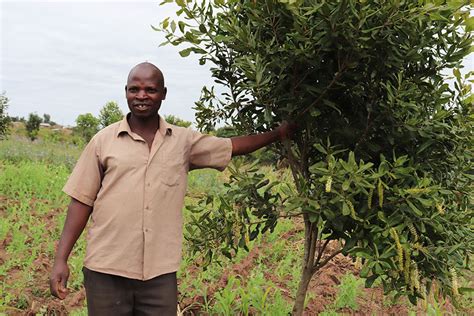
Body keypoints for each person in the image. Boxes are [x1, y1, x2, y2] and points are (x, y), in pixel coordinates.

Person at [49, 62, 294, 315]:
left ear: (163, 93)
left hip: (159, 274)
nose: (141, 96)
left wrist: (278, 133)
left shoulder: (183, 142)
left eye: (150, 90)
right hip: (106, 270)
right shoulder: (103, 141)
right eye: (134, 89)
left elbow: (232, 146)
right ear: (125, 91)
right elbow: (81, 201)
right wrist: (61, 259)